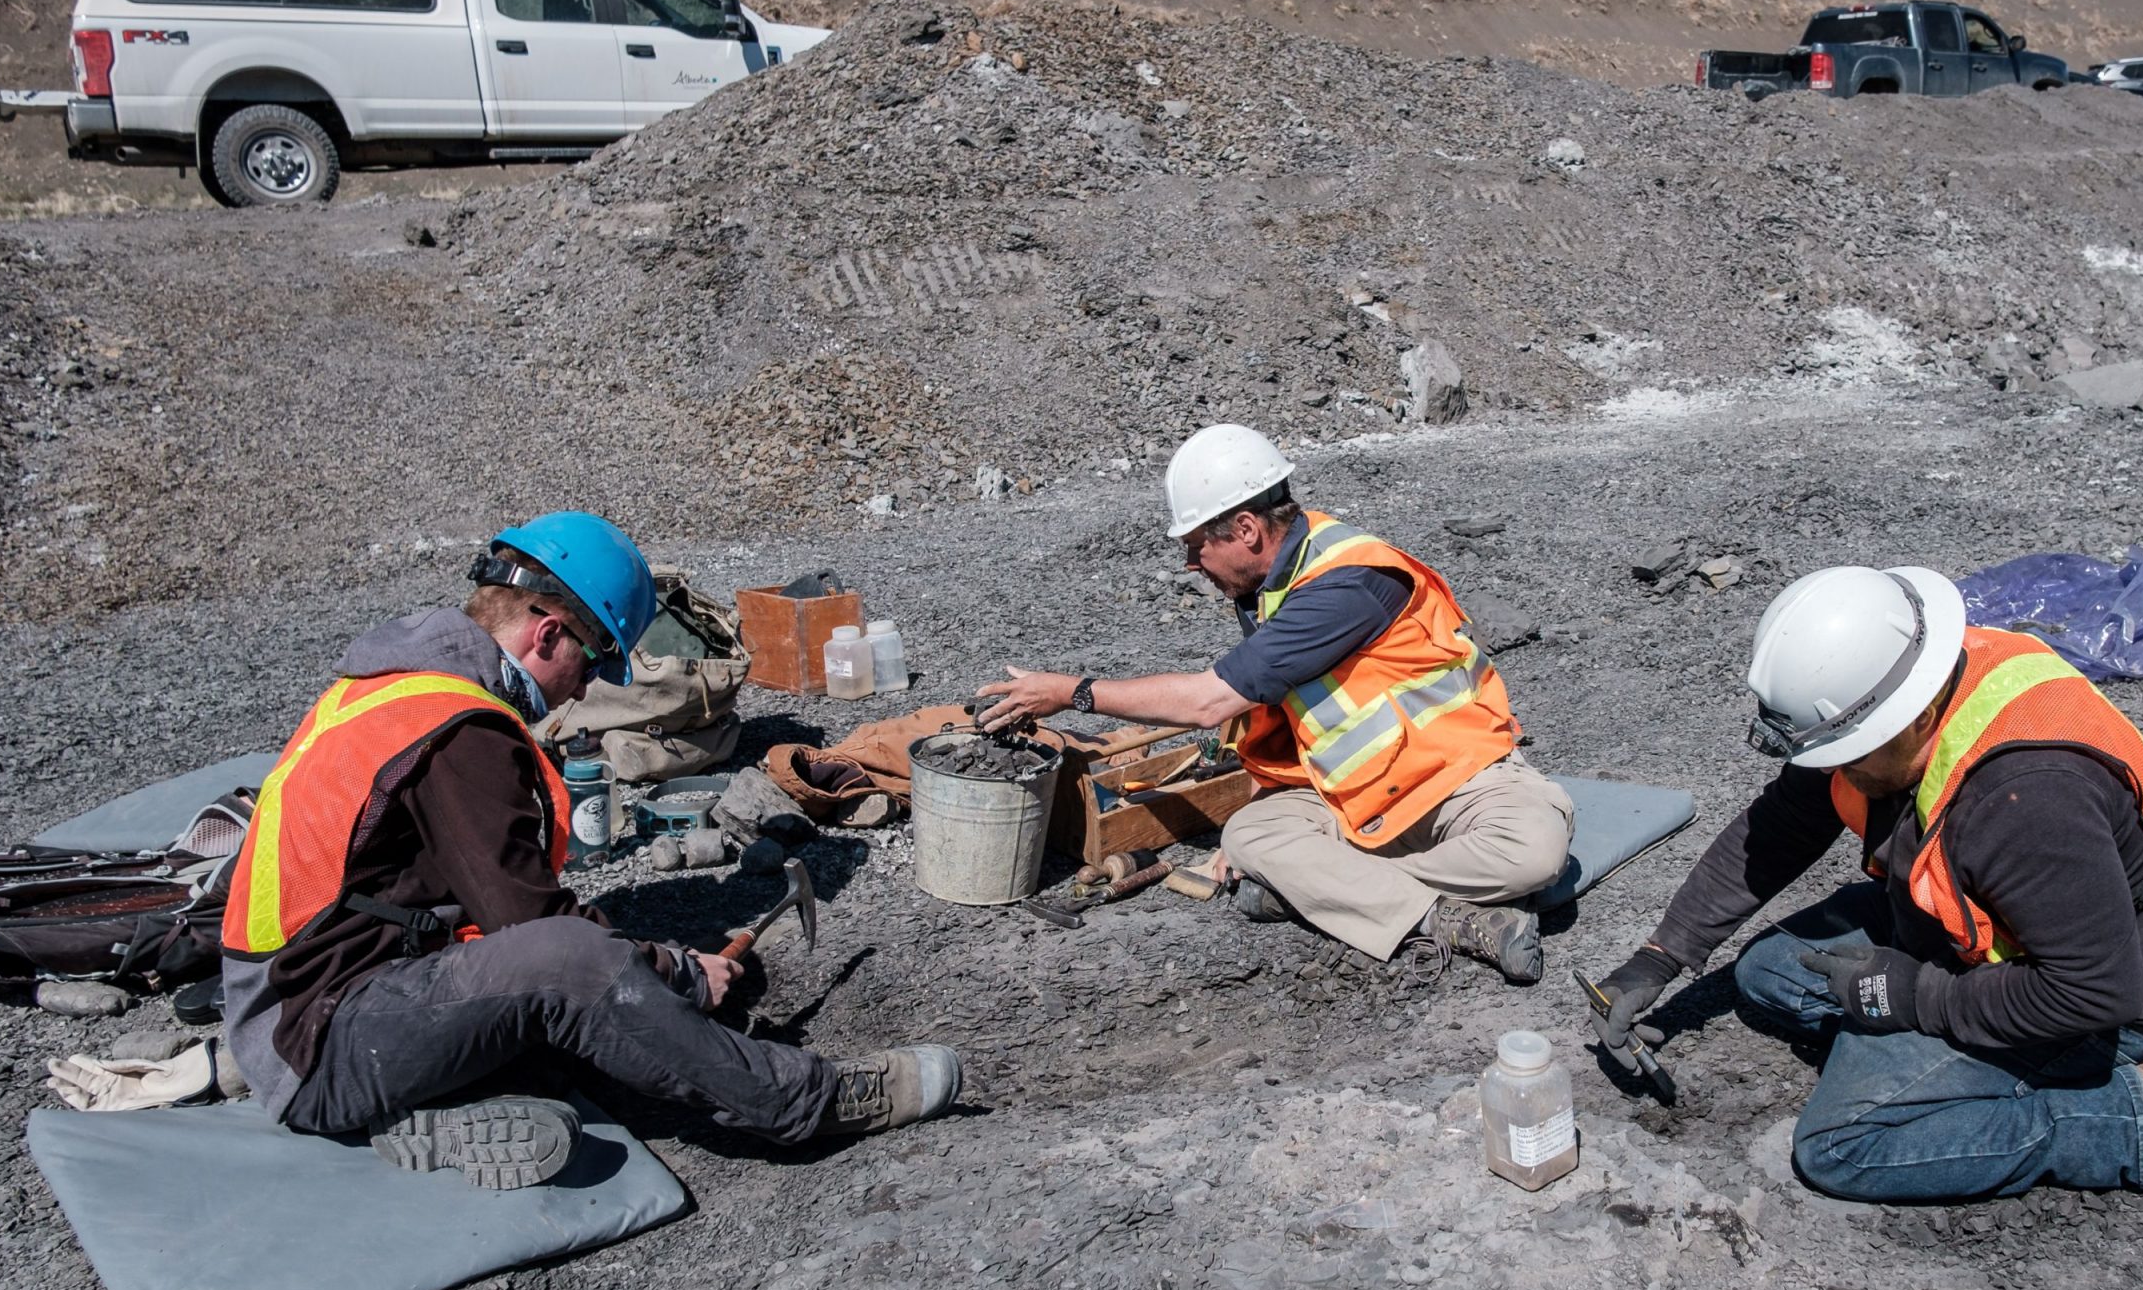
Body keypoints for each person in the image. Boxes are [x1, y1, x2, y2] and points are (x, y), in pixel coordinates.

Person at [221, 512, 959, 1189]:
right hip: (323, 1047)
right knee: (578, 965)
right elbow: (534, 931)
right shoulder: (459, 732)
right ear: (547, 636)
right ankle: (808, 1101)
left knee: (608, 998)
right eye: (596, 662)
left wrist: (648, 972)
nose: (585, 689)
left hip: (311, 1014)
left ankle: (432, 1110)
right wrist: (670, 971)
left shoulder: (397, 689)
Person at [1589, 564, 2143, 1263]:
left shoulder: (2028, 800)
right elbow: (1779, 828)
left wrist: (1916, 999)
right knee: (1768, 974)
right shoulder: (1902, 684)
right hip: (1977, 929)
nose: (1838, 771)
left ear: (1915, 715)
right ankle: (1927, 1063)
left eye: (1847, 756)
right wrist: (1660, 956)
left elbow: (2097, 989)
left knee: (1843, 1147)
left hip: (2097, 1002)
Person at [977, 424, 1572, 982]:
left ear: (1244, 529)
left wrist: (1073, 692)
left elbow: (1211, 701)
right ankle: (1446, 914)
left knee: (1536, 852)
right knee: (1249, 838)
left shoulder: (1346, 586)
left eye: (1195, 547)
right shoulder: (1271, 584)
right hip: (1357, 803)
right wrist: (1266, 793)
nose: (1191, 565)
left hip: (1459, 783)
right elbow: (1286, 712)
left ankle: (1322, 894)